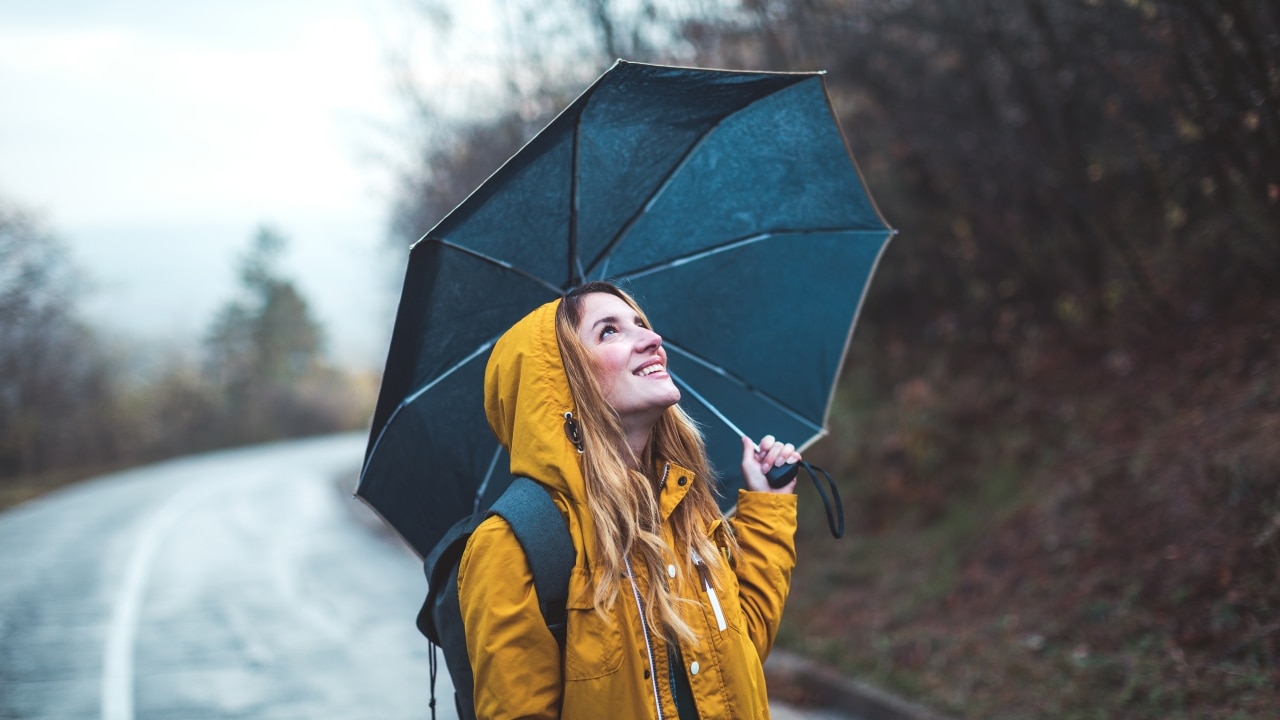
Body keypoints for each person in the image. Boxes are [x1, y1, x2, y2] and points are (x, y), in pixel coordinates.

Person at [458, 281, 800, 719]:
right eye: (609, 331)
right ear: (561, 382)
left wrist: (768, 507)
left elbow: (739, 654)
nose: (652, 339)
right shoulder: (514, 545)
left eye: (641, 324)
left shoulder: (680, 509)